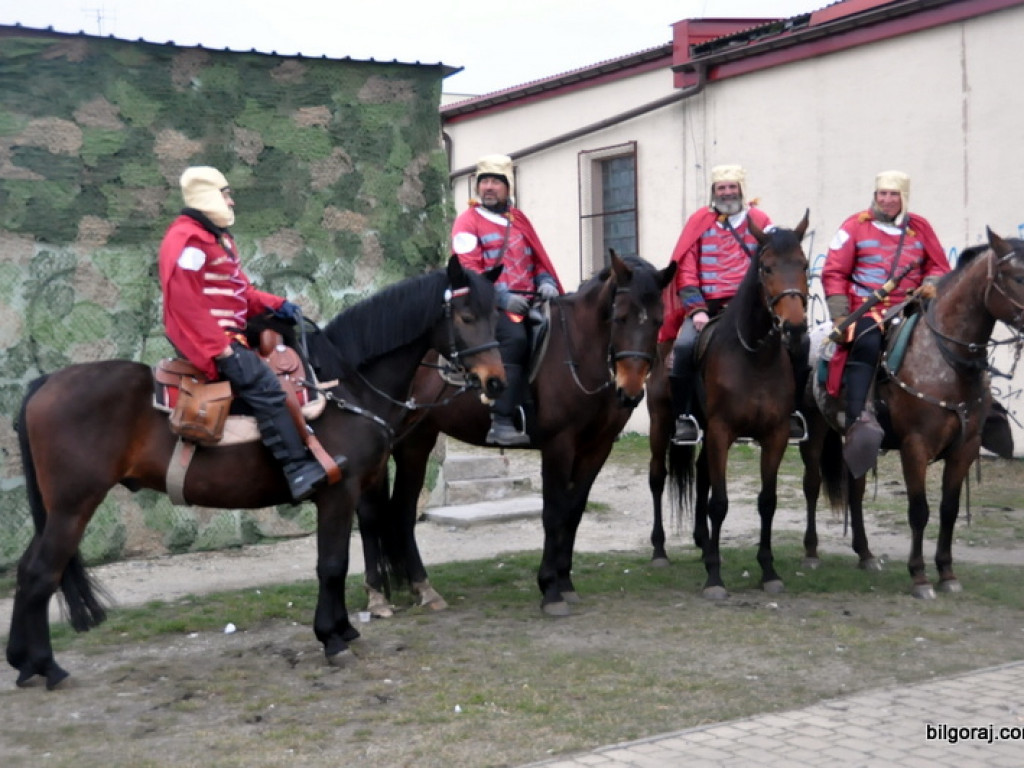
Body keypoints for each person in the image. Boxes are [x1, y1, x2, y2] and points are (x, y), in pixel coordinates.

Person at [159, 166, 344, 502]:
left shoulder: (218, 239)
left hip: (230, 334)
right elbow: (184, 301)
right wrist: (221, 349)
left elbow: (241, 292)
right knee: (265, 386)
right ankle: (297, 469)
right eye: (226, 194)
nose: (231, 203)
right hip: (209, 340)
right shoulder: (188, 239)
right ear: (208, 196)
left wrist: (280, 305)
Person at [660, 164, 808, 445]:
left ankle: (793, 412)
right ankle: (685, 417)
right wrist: (697, 309)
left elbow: (778, 254)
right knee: (683, 347)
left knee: (800, 344)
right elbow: (687, 270)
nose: (727, 193)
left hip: (753, 307)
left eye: (731, 187)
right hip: (710, 306)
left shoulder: (760, 219)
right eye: (721, 188)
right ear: (714, 192)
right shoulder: (698, 222)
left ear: (741, 190)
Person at [822, 169, 949, 474]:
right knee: (866, 342)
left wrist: (932, 283)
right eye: (883, 194)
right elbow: (834, 272)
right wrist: (841, 315)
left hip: (912, 308)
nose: (887, 200)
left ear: (903, 197)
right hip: (866, 310)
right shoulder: (854, 226)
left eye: (894, 195)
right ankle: (857, 419)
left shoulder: (920, 228)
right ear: (875, 195)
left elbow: (939, 264)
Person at [451, 154, 564, 446]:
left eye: (495, 182)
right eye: (484, 181)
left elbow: (537, 261)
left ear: (508, 186)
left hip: (531, 299)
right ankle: (501, 420)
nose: (488, 187)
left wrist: (547, 281)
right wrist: (502, 298)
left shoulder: (519, 220)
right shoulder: (467, 221)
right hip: (486, 306)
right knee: (514, 338)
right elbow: (469, 270)